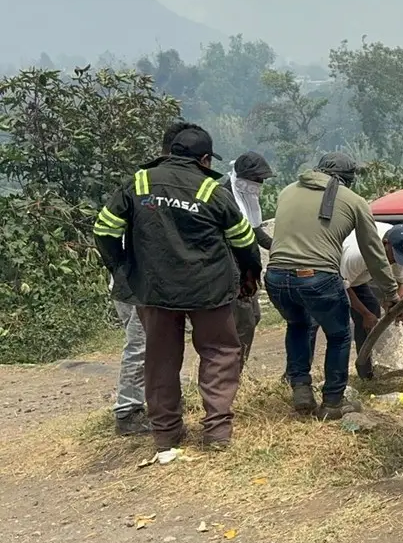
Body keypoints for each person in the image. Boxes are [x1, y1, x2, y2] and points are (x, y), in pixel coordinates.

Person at [93, 125, 261, 450]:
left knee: (160, 359)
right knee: (220, 353)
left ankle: (166, 435)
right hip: (209, 290)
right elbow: (244, 241)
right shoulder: (212, 192)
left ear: (169, 153)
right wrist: (249, 277)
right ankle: (216, 434)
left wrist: (124, 267)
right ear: (205, 159)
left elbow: (104, 229)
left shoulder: (139, 183)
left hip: (154, 291)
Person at [266, 153, 397, 420]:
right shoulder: (354, 201)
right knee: (339, 335)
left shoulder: (288, 190)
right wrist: (391, 292)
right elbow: (373, 252)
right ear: (347, 179)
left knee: (298, 325)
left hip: (276, 276)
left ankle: (301, 384)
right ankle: (333, 403)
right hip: (317, 277)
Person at [108, 120, 199, 437]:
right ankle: (128, 411)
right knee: (142, 344)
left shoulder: (144, 181)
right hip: (142, 283)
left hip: (137, 279)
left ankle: (158, 404)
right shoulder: (159, 184)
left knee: (153, 344)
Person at [340, 222, 403, 380]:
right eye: (394, 257)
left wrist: (398, 307)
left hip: (357, 278)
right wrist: (365, 314)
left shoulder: (401, 245)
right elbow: (343, 287)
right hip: (332, 275)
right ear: (384, 245)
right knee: (333, 326)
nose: (396, 261)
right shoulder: (357, 252)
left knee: (372, 315)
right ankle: (301, 377)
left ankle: (366, 373)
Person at [220, 152, 275, 366]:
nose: (260, 184)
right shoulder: (225, 197)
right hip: (233, 270)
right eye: (257, 179)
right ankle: (234, 372)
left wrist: (278, 246)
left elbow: (255, 231)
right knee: (243, 322)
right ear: (243, 178)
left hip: (247, 270)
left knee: (253, 317)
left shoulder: (248, 199)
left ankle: (236, 367)